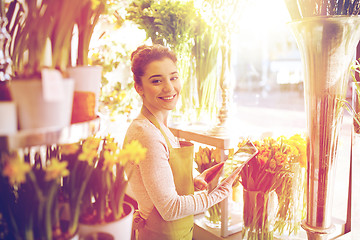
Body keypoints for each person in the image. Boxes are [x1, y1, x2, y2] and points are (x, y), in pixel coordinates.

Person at [124, 44, 239, 240]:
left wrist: (193, 181)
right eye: (157, 80)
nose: (169, 87)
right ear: (139, 87)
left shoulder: (160, 127)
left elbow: (161, 180)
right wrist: (218, 194)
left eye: (173, 77)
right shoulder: (147, 134)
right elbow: (169, 208)